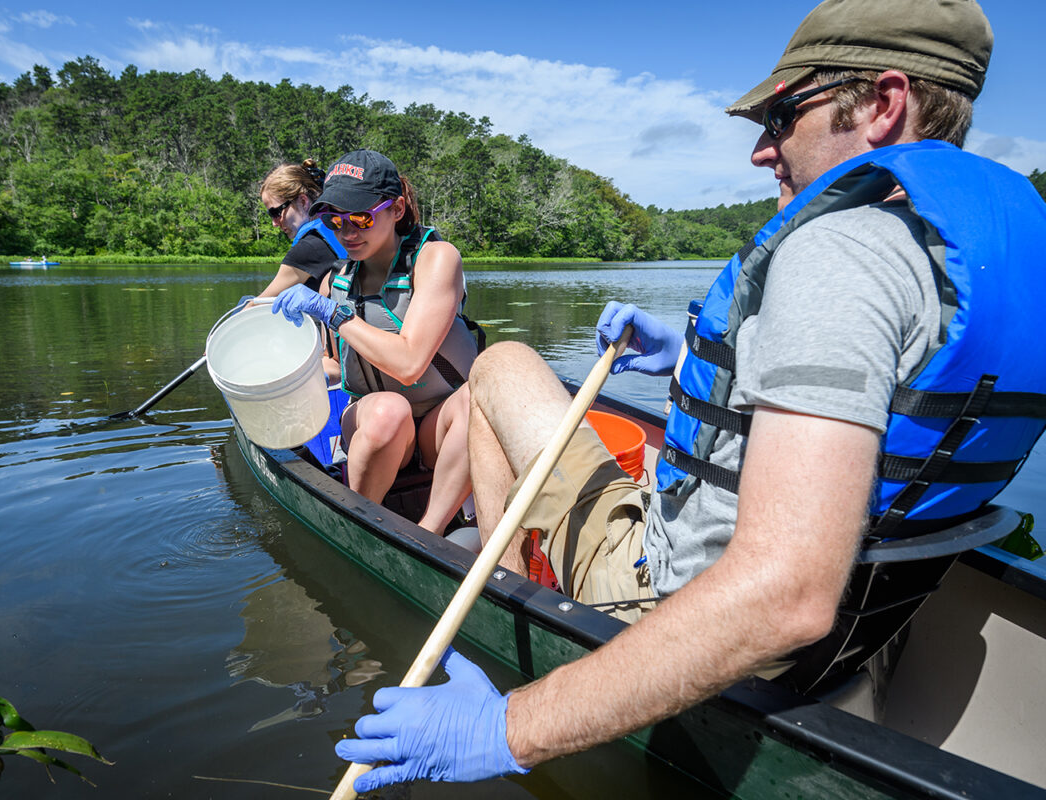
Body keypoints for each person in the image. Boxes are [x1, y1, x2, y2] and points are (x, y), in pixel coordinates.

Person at [332, 0, 1046, 791]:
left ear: (882, 104)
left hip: (680, 595)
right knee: (519, 379)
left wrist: (509, 726)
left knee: (500, 366)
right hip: (868, 619)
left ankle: (520, 595)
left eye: (782, 113)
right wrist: (689, 362)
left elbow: (786, 593)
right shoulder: (958, 253)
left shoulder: (843, 249)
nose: (760, 149)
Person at [271, 149, 478, 536]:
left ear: (396, 209)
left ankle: (427, 535)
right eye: (334, 220)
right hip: (379, 424)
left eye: (361, 218)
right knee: (388, 410)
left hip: (441, 426)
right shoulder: (336, 281)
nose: (347, 232)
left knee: (481, 396)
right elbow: (335, 364)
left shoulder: (436, 259)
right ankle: (361, 524)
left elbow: (410, 363)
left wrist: (333, 314)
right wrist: (280, 375)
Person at [256, 159, 348, 301]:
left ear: (303, 201)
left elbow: (258, 305)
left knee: (246, 301)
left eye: (276, 213)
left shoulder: (309, 248)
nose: (274, 223)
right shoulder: (343, 230)